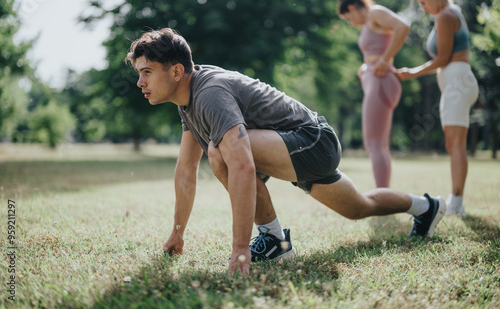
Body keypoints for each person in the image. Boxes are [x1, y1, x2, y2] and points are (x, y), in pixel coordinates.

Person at [125, 28, 446, 277]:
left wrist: (240, 249)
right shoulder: (188, 102)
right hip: (295, 148)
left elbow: (243, 166)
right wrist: (177, 233)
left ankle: (275, 241)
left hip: (312, 140)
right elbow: (185, 170)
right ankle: (427, 207)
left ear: (177, 71)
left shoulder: (209, 93)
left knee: (222, 153)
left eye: (147, 71)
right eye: (139, 72)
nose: (140, 82)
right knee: (359, 207)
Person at [396, 0, 479, 217]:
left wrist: (411, 73)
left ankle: (457, 203)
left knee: (456, 146)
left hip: (457, 84)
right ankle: (456, 199)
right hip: (459, 83)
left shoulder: (444, 16)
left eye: (423, 2)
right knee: (454, 144)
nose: (423, 8)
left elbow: (442, 59)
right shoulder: (452, 12)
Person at [336, 0, 410, 188]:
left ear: (352, 8)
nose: (352, 23)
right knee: (379, 144)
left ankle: (383, 195)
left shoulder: (375, 13)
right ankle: (384, 193)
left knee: (374, 144)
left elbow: (402, 27)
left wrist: (385, 61)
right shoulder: (371, 22)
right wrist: (366, 66)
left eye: (349, 18)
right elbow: (375, 51)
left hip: (381, 81)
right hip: (377, 81)